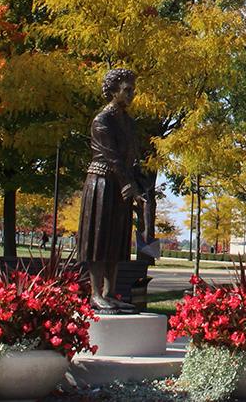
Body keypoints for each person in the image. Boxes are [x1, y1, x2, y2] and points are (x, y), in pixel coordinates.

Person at [77, 68, 146, 314]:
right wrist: (130, 185)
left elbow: (132, 158)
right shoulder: (102, 121)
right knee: (100, 238)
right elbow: (113, 158)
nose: (131, 95)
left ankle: (110, 292)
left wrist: (138, 184)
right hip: (102, 184)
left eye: (132, 90)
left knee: (117, 240)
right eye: (127, 90)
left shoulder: (128, 123)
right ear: (113, 91)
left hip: (121, 186)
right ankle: (95, 294)